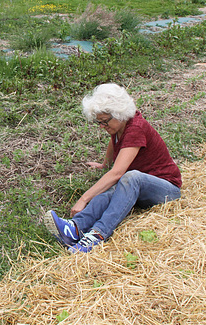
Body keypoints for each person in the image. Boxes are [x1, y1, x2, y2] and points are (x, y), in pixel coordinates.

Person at [44, 83, 181, 253]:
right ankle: (75, 228)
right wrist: (105, 165)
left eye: (104, 122)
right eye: (99, 122)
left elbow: (117, 173)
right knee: (110, 191)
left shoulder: (136, 128)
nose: (102, 126)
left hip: (166, 189)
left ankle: (97, 235)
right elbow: (114, 141)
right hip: (141, 187)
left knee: (130, 177)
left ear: (119, 114)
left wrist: (83, 199)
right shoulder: (120, 126)